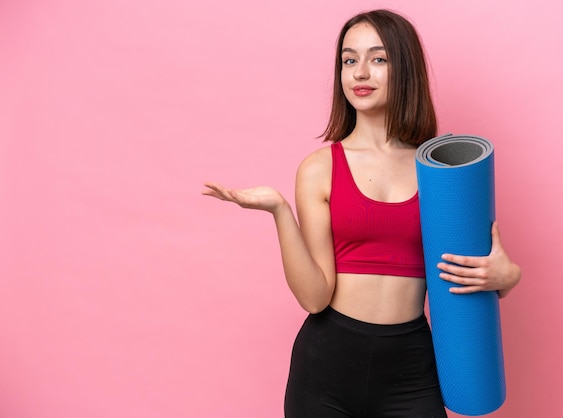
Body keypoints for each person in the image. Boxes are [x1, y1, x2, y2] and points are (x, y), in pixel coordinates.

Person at [203, 9, 521, 418]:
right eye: (349, 60)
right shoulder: (319, 167)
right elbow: (315, 298)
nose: (360, 73)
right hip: (327, 365)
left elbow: (475, 269)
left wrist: (508, 277)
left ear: (404, 69)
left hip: (411, 366)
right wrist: (280, 210)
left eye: (379, 59)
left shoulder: (440, 169)